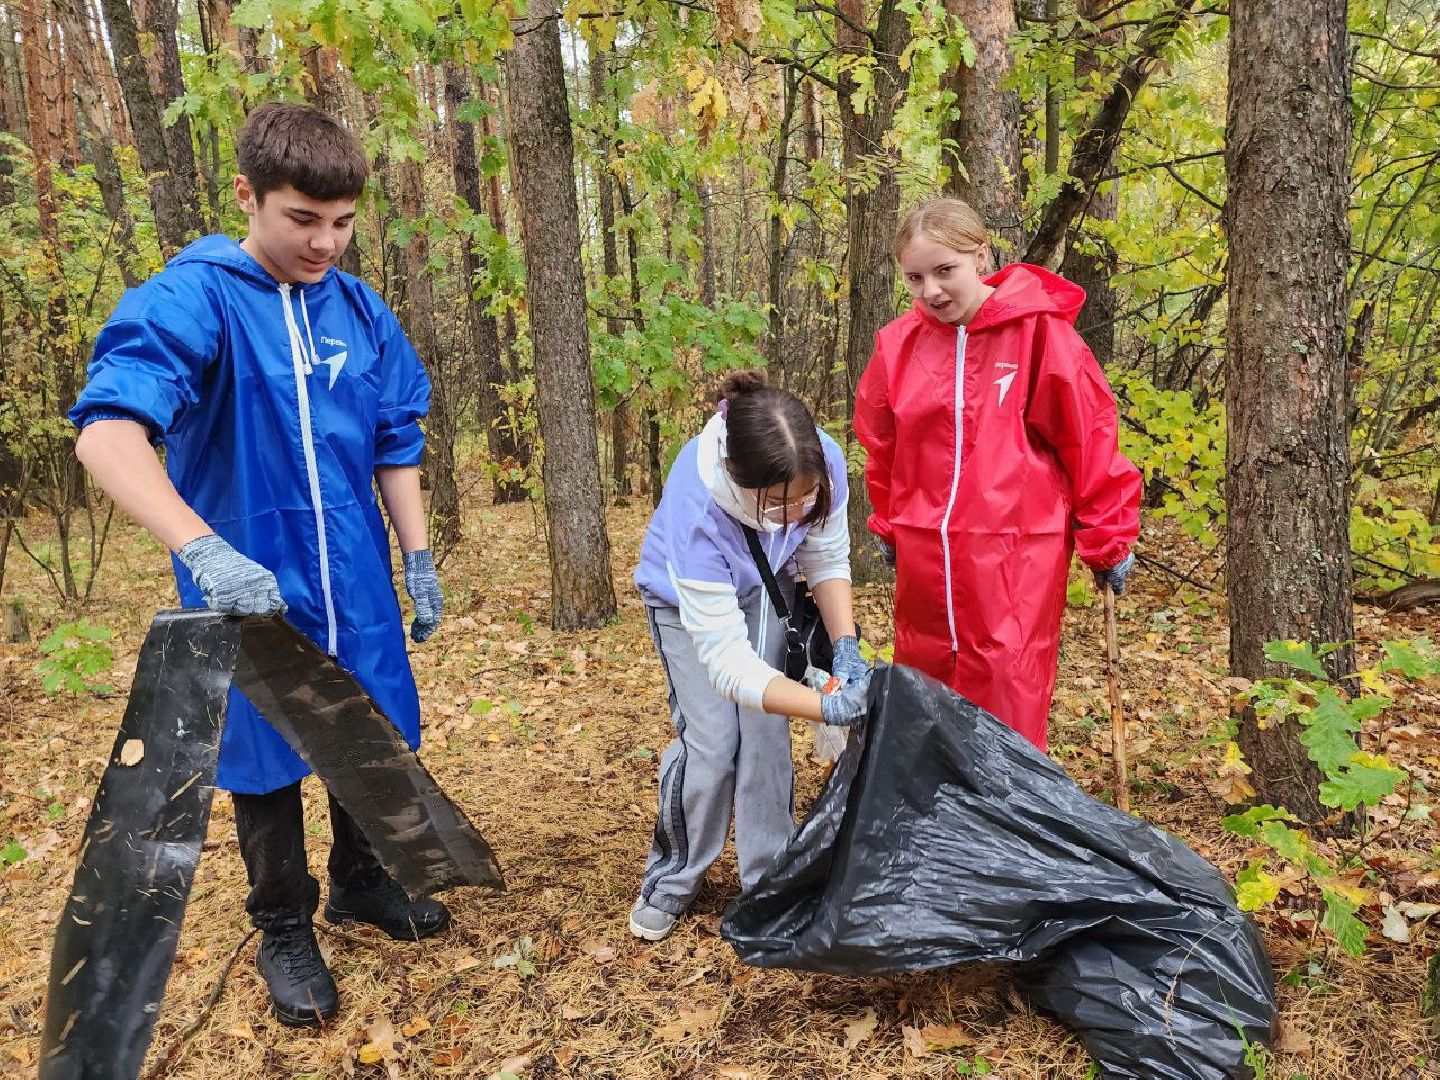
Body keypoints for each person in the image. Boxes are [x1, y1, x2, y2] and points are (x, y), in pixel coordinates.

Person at [69, 102, 449, 1027]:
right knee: (264, 753)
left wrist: (418, 556)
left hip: (354, 577)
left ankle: (362, 879)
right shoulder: (194, 300)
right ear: (247, 195)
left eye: (343, 222)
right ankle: (283, 924)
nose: (326, 243)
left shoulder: (358, 309)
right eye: (302, 219)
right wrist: (200, 548)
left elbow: (395, 440)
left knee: (364, 725)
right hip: (247, 581)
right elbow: (107, 433)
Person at [854, 197, 1141, 753]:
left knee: (1007, 693)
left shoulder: (1038, 334)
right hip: (926, 562)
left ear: (980, 255)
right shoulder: (899, 345)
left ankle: (1008, 806)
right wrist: (889, 522)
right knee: (925, 702)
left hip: (1015, 559)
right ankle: (933, 807)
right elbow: (883, 445)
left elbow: (1087, 436)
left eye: (945, 270)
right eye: (915, 278)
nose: (931, 291)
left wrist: (1107, 539)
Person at [629, 371, 871, 942]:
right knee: (714, 745)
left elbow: (825, 557)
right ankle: (673, 878)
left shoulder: (820, 460)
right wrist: (824, 707)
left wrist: (845, 646)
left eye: (805, 499)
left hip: (766, 588)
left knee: (764, 733)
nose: (796, 513)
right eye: (780, 504)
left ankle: (768, 883)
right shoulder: (698, 507)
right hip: (684, 602)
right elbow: (729, 666)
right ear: (741, 483)